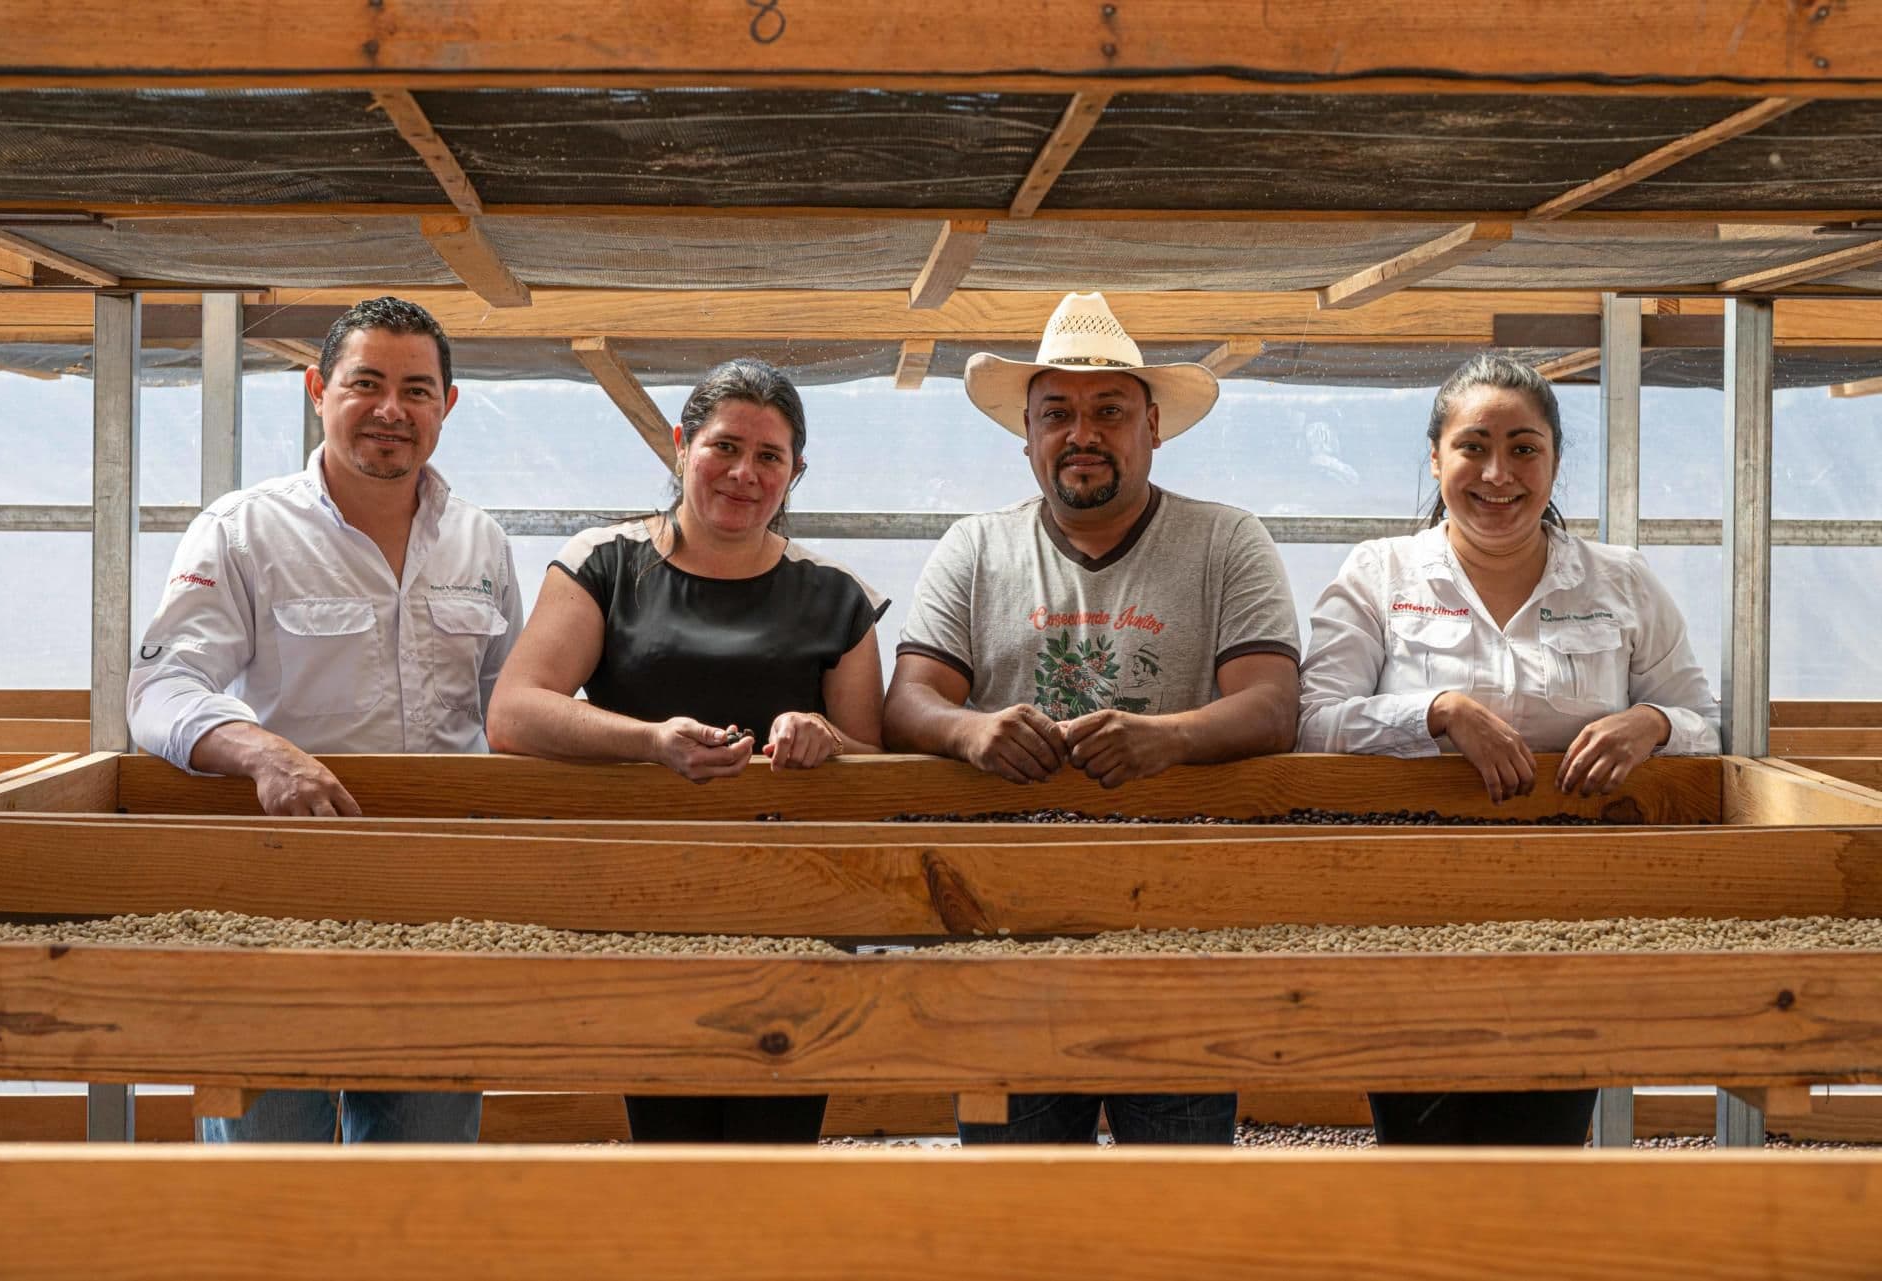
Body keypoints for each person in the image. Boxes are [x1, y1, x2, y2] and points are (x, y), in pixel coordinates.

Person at [883, 292, 1301, 1145]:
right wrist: (972, 731)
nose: (1083, 434)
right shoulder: (977, 546)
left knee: (1179, 1190)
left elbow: (1273, 705)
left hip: (1179, 928)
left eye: (1109, 411)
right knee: (1018, 1190)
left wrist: (1167, 738)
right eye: (1057, 415)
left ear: (1153, 426)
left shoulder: (1227, 540)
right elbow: (909, 700)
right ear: (1027, 435)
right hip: (1004, 921)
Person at [1298, 351, 1721, 1145]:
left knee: (1543, 1133)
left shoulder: (1619, 581)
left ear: (1555, 462)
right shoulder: (1378, 571)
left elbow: (1703, 715)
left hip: (1577, 903)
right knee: (1420, 1133)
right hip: (1408, 901)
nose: (1499, 472)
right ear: (1436, 456)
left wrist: (1653, 724)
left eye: (1525, 448)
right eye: (1473, 446)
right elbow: (1314, 718)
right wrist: (1437, 711)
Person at [128, 295, 520, 1144]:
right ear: (317, 389)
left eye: (417, 390)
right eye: (365, 383)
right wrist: (264, 752)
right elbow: (160, 691)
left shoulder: (480, 543)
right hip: (275, 891)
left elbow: (511, 708)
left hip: (436, 899)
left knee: (422, 1154)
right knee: (269, 1157)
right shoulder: (241, 531)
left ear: (447, 405)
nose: (391, 409)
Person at [487, 357, 885, 1142]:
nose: (744, 472)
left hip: (794, 916)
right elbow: (513, 711)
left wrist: (824, 738)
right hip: (646, 901)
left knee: (777, 1142)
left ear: (795, 472)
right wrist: (649, 741)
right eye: (724, 446)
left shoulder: (836, 595)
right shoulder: (605, 563)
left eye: (769, 456)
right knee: (669, 1139)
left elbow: (874, 760)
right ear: (680, 445)